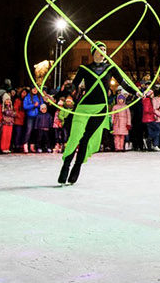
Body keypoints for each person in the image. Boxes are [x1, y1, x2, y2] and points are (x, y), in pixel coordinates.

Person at [57, 43, 138, 185]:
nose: (103, 51)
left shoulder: (111, 68)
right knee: (75, 137)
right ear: (94, 51)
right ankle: (66, 165)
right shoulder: (84, 69)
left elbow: (124, 84)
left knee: (86, 139)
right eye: (100, 49)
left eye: (105, 50)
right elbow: (73, 87)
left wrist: (136, 92)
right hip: (83, 108)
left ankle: (77, 167)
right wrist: (57, 95)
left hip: (100, 109)